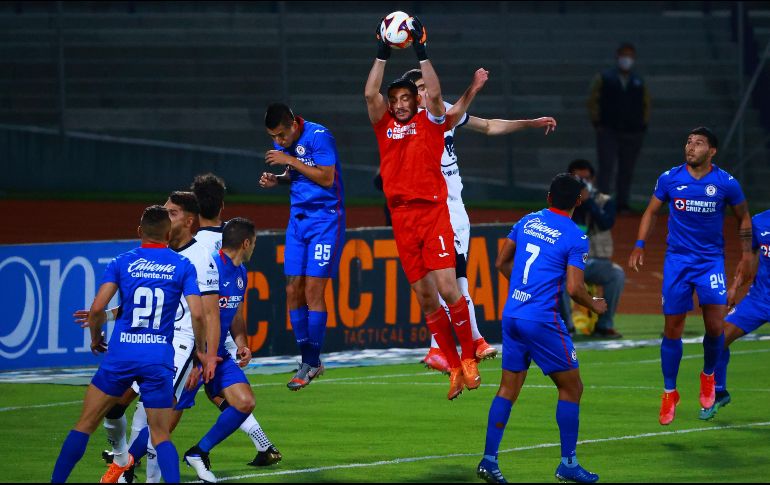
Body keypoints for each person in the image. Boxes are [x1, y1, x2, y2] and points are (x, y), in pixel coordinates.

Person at [400, 67, 558, 372]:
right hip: (433, 209)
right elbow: (450, 115)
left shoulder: (441, 110)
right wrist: (473, 88)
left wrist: (529, 123)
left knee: (453, 280)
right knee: (453, 278)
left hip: (452, 205)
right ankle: (466, 343)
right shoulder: (409, 123)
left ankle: (455, 346)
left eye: (426, 86)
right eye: (418, 88)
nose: (426, 91)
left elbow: (487, 126)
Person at [365, 16, 484, 400]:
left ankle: (469, 357)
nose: (399, 103)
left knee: (448, 287)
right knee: (424, 296)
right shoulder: (384, 125)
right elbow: (370, 94)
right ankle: (451, 365)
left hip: (432, 212)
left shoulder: (431, 120)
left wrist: (421, 49)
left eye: (405, 98)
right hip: (401, 218)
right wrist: (382, 51)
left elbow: (434, 92)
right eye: (395, 98)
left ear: (415, 101)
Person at [51, 205, 216, 483]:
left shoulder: (122, 262)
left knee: (85, 425)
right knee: (161, 435)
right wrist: (201, 351)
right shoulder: (182, 266)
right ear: (168, 232)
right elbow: (198, 313)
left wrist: (96, 337)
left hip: (122, 355)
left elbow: (96, 311)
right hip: (158, 358)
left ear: (140, 231)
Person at [477, 173, 606, 484]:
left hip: (513, 315)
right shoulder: (575, 236)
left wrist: (525, 290)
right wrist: (594, 305)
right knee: (572, 388)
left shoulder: (528, 221)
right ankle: (568, 464)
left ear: (549, 197)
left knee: (508, 389)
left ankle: (489, 460)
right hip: (541, 321)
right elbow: (575, 289)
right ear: (578, 201)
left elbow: (500, 262)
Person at [628, 127, 753, 426]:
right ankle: (670, 392)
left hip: (710, 263)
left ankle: (708, 376)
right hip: (677, 263)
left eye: (698, 143)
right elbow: (651, 212)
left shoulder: (726, 183)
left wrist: (747, 254)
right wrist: (639, 244)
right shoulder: (670, 178)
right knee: (673, 327)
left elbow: (744, 216)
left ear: (712, 151)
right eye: (688, 142)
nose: (690, 147)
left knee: (714, 326)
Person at [191, 173, 283, 467]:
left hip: (208, 346)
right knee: (168, 406)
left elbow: (233, 310)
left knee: (230, 397)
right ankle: (128, 457)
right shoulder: (218, 249)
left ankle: (126, 456)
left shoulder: (195, 249)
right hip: (196, 346)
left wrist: (240, 342)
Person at [258, 103, 345, 390]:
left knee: (313, 290)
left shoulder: (320, 136)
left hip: (324, 222)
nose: (278, 141)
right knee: (292, 288)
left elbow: (326, 177)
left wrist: (290, 161)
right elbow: (297, 175)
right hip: (297, 222)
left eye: (282, 135)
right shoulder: (285, 143)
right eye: (274, 137)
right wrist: (278, 180)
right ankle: (309, 360)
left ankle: (311, 361)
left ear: (294, 124)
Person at [183, 218, 259, 482]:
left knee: (245, 402)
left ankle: (199, 452)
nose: (254, 248)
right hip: (194, 355)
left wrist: (242, 344)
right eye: (254, 243)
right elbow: (201, 315)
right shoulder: (210, 266)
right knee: (164, 418)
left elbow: (235, 313)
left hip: (218, 355)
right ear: (246, 243)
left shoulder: (240, 272)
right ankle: (126, 463)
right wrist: (199, 357)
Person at [700, 208, 769, 420]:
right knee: (717, 338)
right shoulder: (760, 222)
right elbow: (749, 261)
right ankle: (719, 391)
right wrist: (734, 287)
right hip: (760, 298)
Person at [559, 159, 625, 338]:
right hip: (569, 263)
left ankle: (604, 325)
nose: (582, 182)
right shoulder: (563, 202)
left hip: (596, 262)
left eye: (585, 178)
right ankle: (568, 328)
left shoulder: (604, 200)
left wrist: (588, 202)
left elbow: (606, 222)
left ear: (592, 179)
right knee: (559, 278)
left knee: (617, 275)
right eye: (577, 178)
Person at [588, 42, 650, 213]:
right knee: (606, 168)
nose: (626, 59)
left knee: (626, 169)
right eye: (624, 55)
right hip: (609, 129)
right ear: (617, 56)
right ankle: (603, 204)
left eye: (630, 55)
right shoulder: (605, 78)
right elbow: (593, 101)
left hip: (632, 131)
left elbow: (646, 104)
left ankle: (622, 203)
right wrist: (597, 123)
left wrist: (642, 125)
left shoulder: (638, 81)